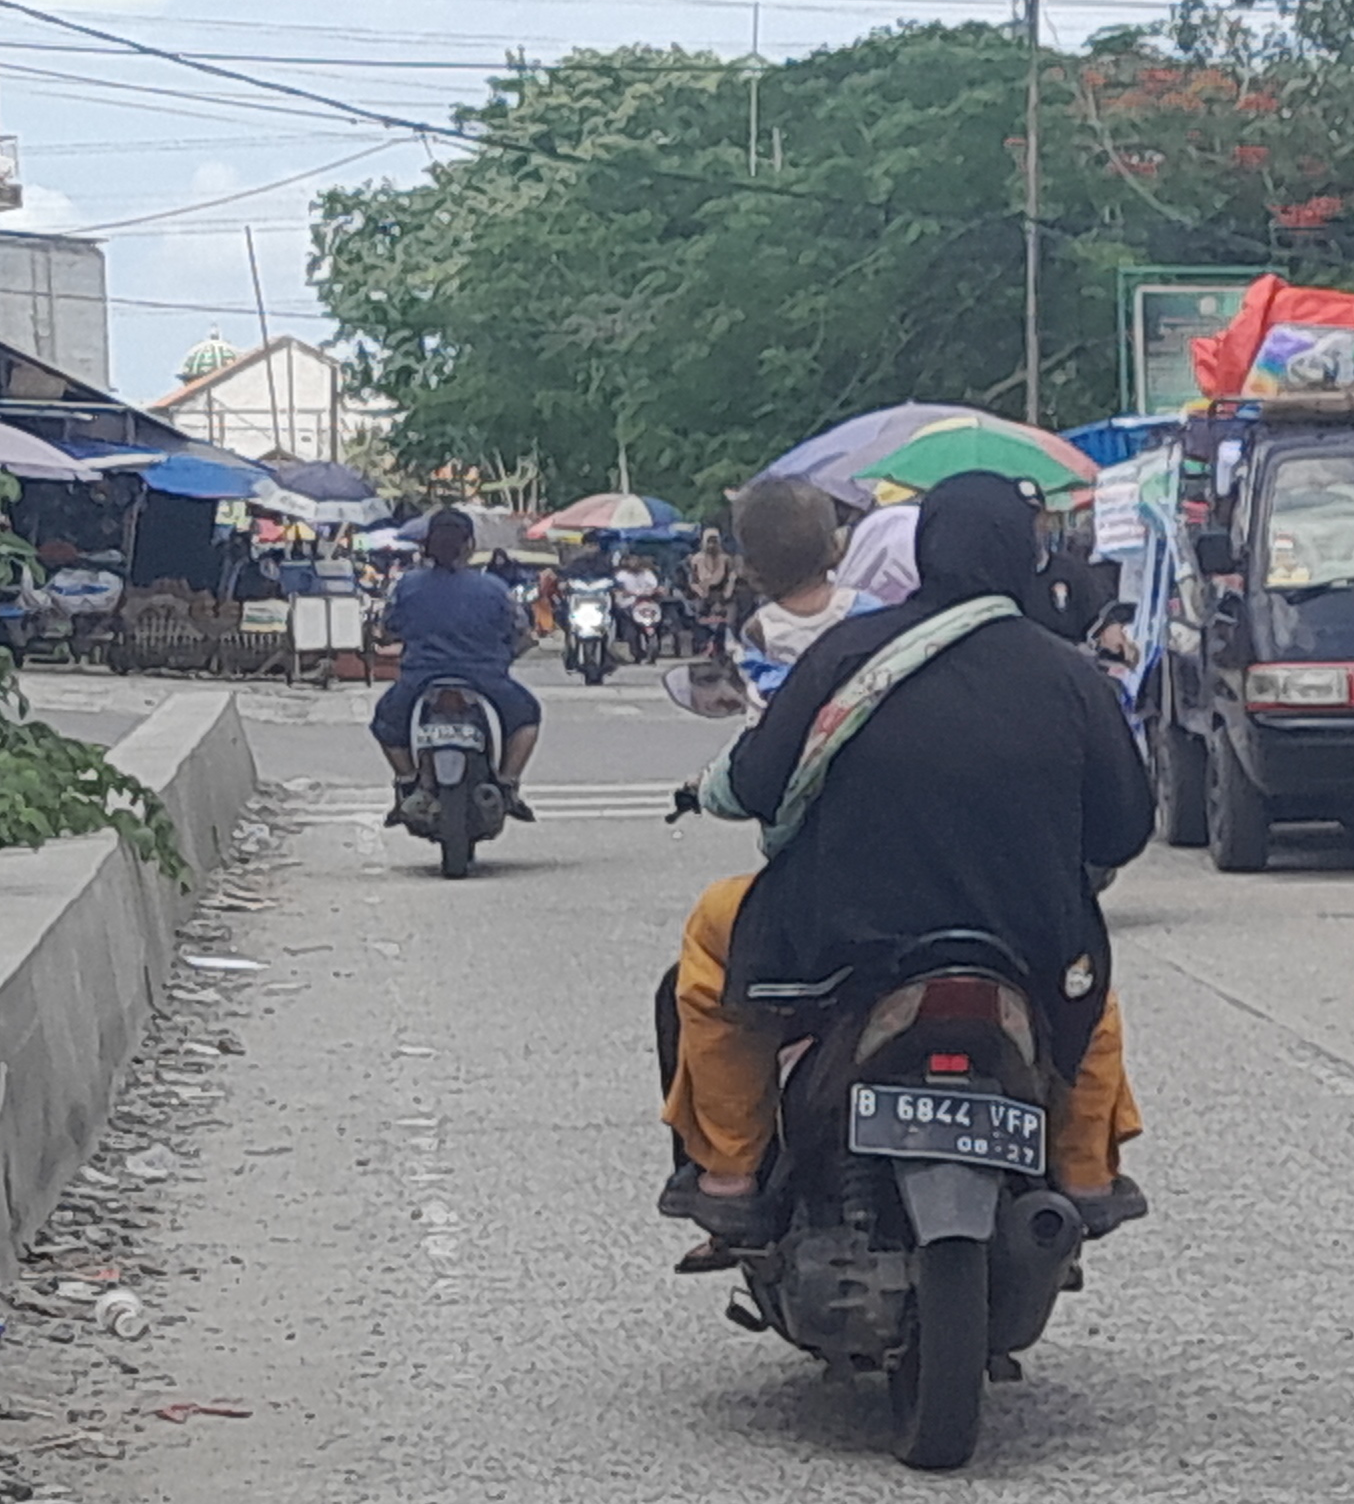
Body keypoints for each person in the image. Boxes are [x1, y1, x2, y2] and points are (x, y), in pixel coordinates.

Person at [657, 472, 1155, 1248]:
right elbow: (1124, 832)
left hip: (841, 937)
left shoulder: (848, 653)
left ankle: (730, 1172)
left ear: (925, 551)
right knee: (1092, 998)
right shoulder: (1071, 677)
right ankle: (1085, 1173)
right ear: (1029, 555)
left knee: (711, 941)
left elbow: (757, 783)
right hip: (1025, 942)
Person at [371, 507, 540, 825]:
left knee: (386, 721)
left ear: (427, 545)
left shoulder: (408, 586)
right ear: (469, 544)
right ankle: (507, 786)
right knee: (527, 716)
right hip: (486, 678)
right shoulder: (493, 588)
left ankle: (408, 784)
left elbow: (388, 629)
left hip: (420, 678)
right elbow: (520, 633)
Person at [722, 476, 881, 705]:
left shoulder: (759, 630)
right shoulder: (869, 612)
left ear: (750, 567)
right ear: (836, 547)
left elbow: (759, 691)